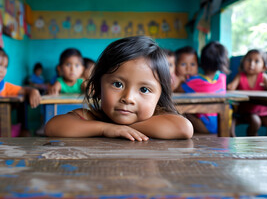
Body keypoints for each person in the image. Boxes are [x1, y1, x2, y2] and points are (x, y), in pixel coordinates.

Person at [45, 36, 194, 141]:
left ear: (160, 95)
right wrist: (107, 129)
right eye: (118, 84)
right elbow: (52, 127)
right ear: (98, 87)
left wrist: (123, 126)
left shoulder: (160, 117)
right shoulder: (92, 117)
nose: (128, 98)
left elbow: (184, 128)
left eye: (144, 89)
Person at [175, 41, 230, 134]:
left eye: (192, 64)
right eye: (183, 64)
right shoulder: (222, 77)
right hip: (224, 122)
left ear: (201, 63)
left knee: (181, 110)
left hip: (206, 126)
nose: (188, 69)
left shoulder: (193, 82)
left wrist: (180, 80)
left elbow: (175, 90)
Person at [227, 49, 267, 136]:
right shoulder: (240, 76)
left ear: (264, 67)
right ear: (243, 62)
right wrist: (229, 86)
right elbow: (231, 87)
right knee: (255, 121)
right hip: (246, 110)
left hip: (263, 109)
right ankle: (252, 141)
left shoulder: (263, 77)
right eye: (248, 60)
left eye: (257, 61)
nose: (251, 64)